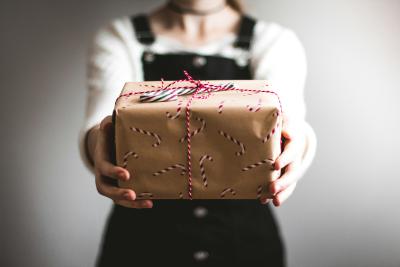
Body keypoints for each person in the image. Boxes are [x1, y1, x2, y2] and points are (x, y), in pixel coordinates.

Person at [78, 0, 317, 266]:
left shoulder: (273, 41)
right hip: (141, 248)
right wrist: (99, 142)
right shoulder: (120, 37)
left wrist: (298, 143)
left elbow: (289, 119)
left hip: (244, 247)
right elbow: (102, 121)